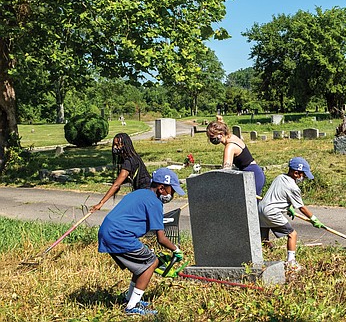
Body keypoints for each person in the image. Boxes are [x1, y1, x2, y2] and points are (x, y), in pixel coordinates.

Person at [98, 167, 186, 316]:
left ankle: (130, 299)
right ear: (161, 188)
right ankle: (132, 307)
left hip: (107, 232)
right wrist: (176, 250)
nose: (173, 195)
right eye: (172, 191)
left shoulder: (140, 193)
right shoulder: (155, 203)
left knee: (141, 265)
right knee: (151, 263)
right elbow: (161, 238)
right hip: (120, 235)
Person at [258, 157, 325, 269]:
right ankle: (291, 262)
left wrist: (288, 207)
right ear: (296, 173)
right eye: (303, 175)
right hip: (272, 212)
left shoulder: (279, 177)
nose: (303, 178)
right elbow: (301, 207)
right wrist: (313, 219)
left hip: (260, 209)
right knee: (292, 234)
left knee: (264, 238)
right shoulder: (293, 187)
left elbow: (278, 195)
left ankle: (263, 258)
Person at [206, 115, 266, 195]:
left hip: (252, 176)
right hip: (254, 172)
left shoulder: (229, 147)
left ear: (220, 134)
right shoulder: (231, 137)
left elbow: (226, 172)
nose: (211, 140)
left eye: (212, 136)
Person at [91, 133, 150, 212]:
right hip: (145, 192)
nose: (115, 147)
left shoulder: (129, 161)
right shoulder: (133, 157)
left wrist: (101, 203)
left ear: (125, 145)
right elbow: (127, 178)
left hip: (145, 193)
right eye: (114, 145)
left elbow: (116, 185)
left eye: (118, 144)